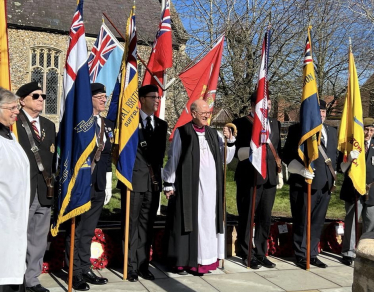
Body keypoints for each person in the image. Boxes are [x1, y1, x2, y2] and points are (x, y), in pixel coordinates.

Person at [163, 99, 235, 275]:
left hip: (211, 190)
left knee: (208, 223)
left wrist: (231, 141)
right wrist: (169, 183)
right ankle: (185, 262)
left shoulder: (214, 134)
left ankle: (205, 262)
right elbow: (174, 158)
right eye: (203, 112)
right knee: (189, 222)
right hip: (190, 189)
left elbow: (225, 158)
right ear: (193, 113)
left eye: (208, 112)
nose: (206, 115)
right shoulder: (183, 133)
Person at [65, 83, 113, 291]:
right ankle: (74, 272)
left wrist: (109, 183)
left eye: (105, 96)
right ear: (90, 99)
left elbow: (108, 155)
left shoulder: (107, 124)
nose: (104, 99)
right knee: (76, 230)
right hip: (81, 184)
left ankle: (85, 268)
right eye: (100, 96)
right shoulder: (79, 123)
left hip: (99, 184)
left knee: (88, 231)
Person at [120, 84, 167, 282]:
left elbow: (159, 156)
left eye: (158, 97)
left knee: (147, 225)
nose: (157, 100)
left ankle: (142, 264)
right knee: (131, 225)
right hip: (133, 181)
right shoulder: (129, 122)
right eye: (153, 97)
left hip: (152, 182)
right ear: (142, 99)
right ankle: (129, 266)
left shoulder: (162, 125)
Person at [283, 99, 337, 269]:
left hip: (326, 184)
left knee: (317, 222)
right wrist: (300, 170)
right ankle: (300, 254)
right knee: (302, 220)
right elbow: (286, 155)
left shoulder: (332, 131)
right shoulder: (298, 130)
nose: (321, 114)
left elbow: (334, 155)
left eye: (323, 111)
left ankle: (312, 253)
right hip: (304, 183)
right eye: (318, 111)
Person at [232, 91, 282, 269]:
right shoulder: (240, 123)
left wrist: (279, 173)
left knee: (265, 217)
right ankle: (246, 252)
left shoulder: (275, 123)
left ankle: (261, 252)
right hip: (249, 176)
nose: (267, 106)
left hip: (269, 178)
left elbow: (277, 151)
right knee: (247, 216)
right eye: (263, 103)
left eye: (268, 102)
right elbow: (236, 153)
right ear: (253, 105)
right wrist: (254, 150)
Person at [14, 82, 55, 292]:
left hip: (44, 190)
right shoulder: (14, 124)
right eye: (36, 95)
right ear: (22, 100)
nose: (41, 99)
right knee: (19, 237)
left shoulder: (49, 125)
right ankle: (15, 278)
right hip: (22, 191)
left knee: (39, 238)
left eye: (43, 96)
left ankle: (32, 280)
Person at [0, 88, 30, 292]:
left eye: (16, 107)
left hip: (16, 215)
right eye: (11, 108)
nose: (16, 112)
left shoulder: (10, 137)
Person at [340, 118, 374, 266]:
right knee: (352, 221)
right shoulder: (353, 145)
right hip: (354, 189)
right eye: (366, 130)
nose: (368, 133)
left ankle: (366, 251)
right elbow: (341, 167)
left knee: (371, 223)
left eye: (372, 130)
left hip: (372, 191)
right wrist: (349, 158)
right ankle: (348, 252)